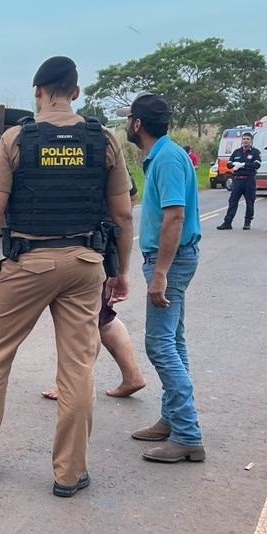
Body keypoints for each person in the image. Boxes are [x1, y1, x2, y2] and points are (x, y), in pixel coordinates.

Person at [0, 56, 134, 496]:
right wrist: (121, 272)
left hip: (27, 262)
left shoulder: (18, 139)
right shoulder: (103, 140)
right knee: (77, 368)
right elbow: (124, 215)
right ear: (75, 91)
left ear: (38, 93)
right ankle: (70, 473)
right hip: (85, 264)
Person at [118, 94, 205, 464]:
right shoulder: (164, 156)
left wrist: (161, 275)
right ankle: (172, 420)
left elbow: (174, 218)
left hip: (170, 260)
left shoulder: (167, 159)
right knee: (174, 340)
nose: (126, 125)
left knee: (160, 346)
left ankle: (187, 433)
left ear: (138, 124)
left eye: (128, 119)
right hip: (171, 259)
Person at [42, 174, 146, 400]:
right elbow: (131, 198)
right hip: (103, 245)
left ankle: (73, 384)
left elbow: (127, 207)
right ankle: (132, 375)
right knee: (103, 317)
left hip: (91, 248)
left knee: (84, 321)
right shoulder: (103, 150)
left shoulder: (87, 151)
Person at [216, 132, 261, 230]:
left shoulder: (255, 152)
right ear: (241, 140)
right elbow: (229, 164)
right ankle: (227, 222)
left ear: (251, 141)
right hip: (238, 180)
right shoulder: (236, 152)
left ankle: (247, 222)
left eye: (248, 139)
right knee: (232, 201)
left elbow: (257, 165)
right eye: (244, 139)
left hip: (249, 180)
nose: (245, 141)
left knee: (249, 202)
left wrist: (244, 165)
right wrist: (233, 164)